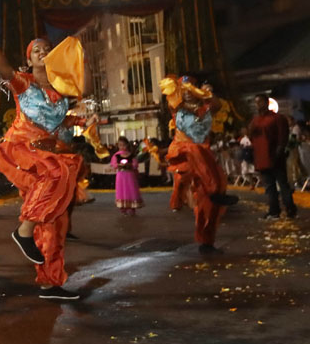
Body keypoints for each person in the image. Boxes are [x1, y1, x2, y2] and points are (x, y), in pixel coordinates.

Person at [0, 25, 94, 301]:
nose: (42, 53)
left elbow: (81, 95)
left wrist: (82, 59)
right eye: (36, 51)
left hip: (46, 155)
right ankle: (24, 231)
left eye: (46, 50)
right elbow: (4, 70)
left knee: (56, 221)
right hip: (22, 153)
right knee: (58, 171)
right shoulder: (25, 83)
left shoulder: (61, 89)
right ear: (30, 60)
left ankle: (51, 281)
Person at [161, 76, 237, 251]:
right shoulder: (177, 107)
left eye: (191, 89)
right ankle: (179, 195)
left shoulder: (205, 107)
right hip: (183, 153)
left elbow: (217, 105)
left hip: (205, 159)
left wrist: (209, 94)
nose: (187, 93)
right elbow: (176, 103)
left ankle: (206, 241)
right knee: (195, 152)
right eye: (184, 90)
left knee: (210, 203)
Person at [248, 95, 296, 219]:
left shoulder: (278, 118)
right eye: (256, 103)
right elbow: (251, 135)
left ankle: (290, 209)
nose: (258, 105)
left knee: (282, 184)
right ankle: (274, 211)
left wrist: (278, 153)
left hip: (274, 156)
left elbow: (282, 138)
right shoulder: (256, 120)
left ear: (266, 102)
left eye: (260, 102)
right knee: (270, 187)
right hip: (262, 158)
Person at [112, 137, 144, 216]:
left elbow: (135, 164)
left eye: (124, 145)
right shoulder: (116, 155)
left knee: (131, 190)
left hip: (130, 175)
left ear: (127, 145)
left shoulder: (131, 155)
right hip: (121, 176)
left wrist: (129, 165)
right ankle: (123, 208)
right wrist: (119, 165)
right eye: (120, 145)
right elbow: (114, 164)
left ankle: (132, 207)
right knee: (121, 191)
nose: (122, 147)